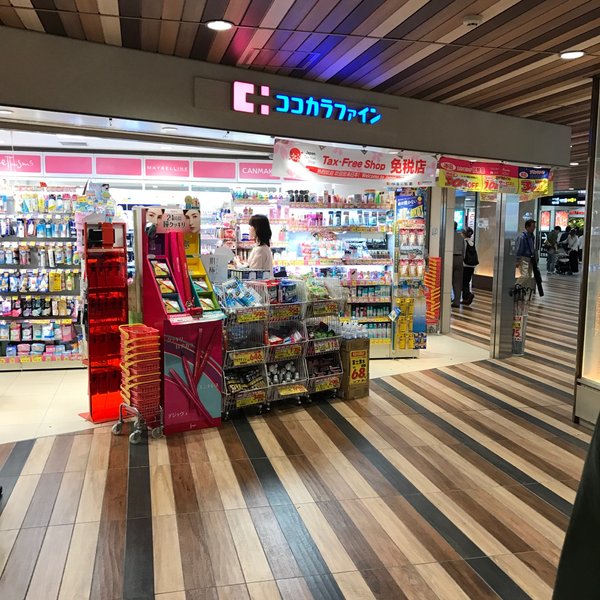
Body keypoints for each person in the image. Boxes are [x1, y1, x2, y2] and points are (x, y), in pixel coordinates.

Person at [516, 219, 537, 289]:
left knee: (529, 276)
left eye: (534, 227)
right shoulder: (522, 237)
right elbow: (519, 249)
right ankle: (516, 286)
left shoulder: (532, 236)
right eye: (532, 227)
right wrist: (517, 260)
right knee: (525, 276)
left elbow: (532, 247)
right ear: (527, 227)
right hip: (524, 258)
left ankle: (522, 289)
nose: (534, 228)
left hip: (530, 258)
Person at [461, 227, 476, 305]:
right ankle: (466, 297)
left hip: (465, 265)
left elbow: (463, 254)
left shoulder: (464, 242)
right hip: (472, 266)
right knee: (467, 281)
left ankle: (467, 296)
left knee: (463, 282)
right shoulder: (471, 242)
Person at [451, 222, 463, 308]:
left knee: (447, 280)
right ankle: (457, 301)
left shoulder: (448, 236)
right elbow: (463, 249)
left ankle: (446, 298)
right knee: (457, 281)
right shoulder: (461, 237)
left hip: (450, 258)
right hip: (459, 258)